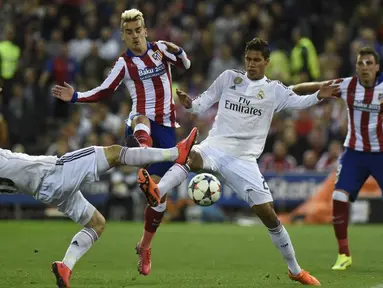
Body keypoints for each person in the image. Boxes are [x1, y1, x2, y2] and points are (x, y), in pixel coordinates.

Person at [137, 38, 340, 285]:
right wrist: (189, 103)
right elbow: (201, 104)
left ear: (267, 62)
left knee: (269, 216)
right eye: (248, 59)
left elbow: (299, 102)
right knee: (188, 156)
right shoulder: (228, 78)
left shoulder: (274, 90)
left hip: (244, 160)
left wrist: (320, 95)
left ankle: (295, 270)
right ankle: (158, 191)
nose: (251, 65)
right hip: (215, 146)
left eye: (257, 60)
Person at [51, 8, 192, 275]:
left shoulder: (160, 50)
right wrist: (76, 96)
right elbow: (103, 91)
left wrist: (181, 52)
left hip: (167, 128)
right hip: (139, 125)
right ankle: (144, 154)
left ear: (145, 31)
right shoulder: (123, 64)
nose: (135, 36)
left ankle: (145, 245)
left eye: (139, 30)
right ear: (123, 37)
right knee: (141, 119)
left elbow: (186, 64)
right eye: (129, 32)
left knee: (158, 199)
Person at [0, 127, 197, 288]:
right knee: (113, 153)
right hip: (53, 173)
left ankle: (65, 267)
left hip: (44, 192)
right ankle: (176, 152)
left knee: (97, 224)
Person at [290, 46, 383, 271]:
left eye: (369, 63)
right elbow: (317, 86)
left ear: (377, 67)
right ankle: (344, 254)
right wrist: (288, 89)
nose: (364, 67)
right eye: (360, 63)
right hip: (354, 153)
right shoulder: (348, 85)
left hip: (380, 153)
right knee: (339, 197)